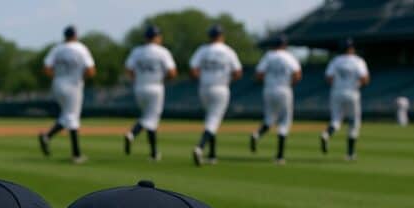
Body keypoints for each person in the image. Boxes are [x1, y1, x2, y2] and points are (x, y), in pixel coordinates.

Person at [38, 26, 96, 164]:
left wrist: (57, 77)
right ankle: (76, 155)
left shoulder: (57, 48)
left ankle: (47, 136)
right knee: (72, 116)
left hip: (58, 84)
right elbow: (91, 71)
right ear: (76, 35)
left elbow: (46, 68)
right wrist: (80, 77)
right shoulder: (81, 48)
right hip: (74, 85)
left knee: (67, 115)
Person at [189, 24, 243, 166]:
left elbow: (193, 69)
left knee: (210, 119)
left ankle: (212, 155)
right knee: (213, 120)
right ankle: (200, 147)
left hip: (204, 88)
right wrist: (227, 78)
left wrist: (203, 78)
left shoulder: (203, 50)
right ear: (222, 35)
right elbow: (238, 72)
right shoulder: (228, 51)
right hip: (221, 88)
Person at [123, 25, 177, 161]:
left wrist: (139, 79)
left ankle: (153, 153)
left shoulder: (137, 51)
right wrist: (162, 78)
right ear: (157, 37)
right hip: (156, 87)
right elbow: (172, 73)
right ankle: (132, 133)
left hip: (139, 87)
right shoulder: (162, 52)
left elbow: (129, 70)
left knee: (149, 118)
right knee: (150, 118)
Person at [250, 34, 301, 164]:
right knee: (285, 121)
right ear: (285, 45)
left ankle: (257, 135)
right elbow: (297, 74)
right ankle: (279, 156)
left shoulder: (269, 56)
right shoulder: (289, 57)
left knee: (269, 118)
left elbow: (259, 74)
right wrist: (290, 83)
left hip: (269, 89)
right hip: (284, 89)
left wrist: (267, 82)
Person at [320, 37, 370, 161]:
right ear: (352, 48)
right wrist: (358, 85)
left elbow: (328, 78)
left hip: (337, 92)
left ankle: (327, 134)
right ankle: (350, 153)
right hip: (352, 93)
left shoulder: (336, 61)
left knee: (336, 120)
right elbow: (364, 79)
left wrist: (339, 85)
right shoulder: (358, 61)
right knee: (354, 122)